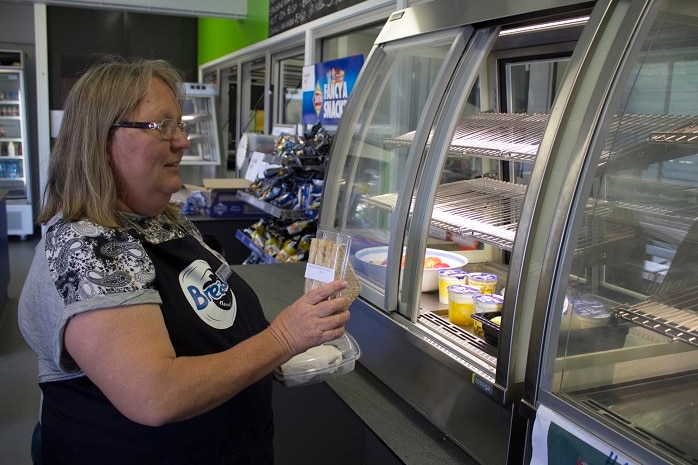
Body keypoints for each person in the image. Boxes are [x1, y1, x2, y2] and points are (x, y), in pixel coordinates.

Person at [18, 56, 350, 465]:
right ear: (101, 141)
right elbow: (155, 394)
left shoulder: (160, 219)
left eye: (181, 125)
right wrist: (282, 339)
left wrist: (273, 355)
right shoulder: (88, 245)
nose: (182, 141)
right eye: (162, 127)